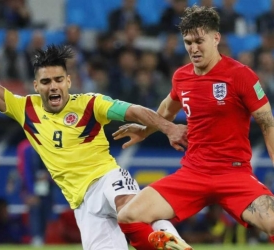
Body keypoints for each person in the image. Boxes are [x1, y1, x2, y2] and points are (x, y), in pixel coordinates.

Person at [0, 1, 189, 249]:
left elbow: (134, 111)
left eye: (58, 80)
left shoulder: (90, 104)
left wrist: (169, 128)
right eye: (45, 81)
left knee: (129, 205)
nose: (53, 86)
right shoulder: (25, 109)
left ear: (68, 81)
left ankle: (170, 241)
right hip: (83, 203)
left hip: (107, 177)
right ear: (36, 86)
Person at [113, 4, 274, 250]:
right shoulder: (182, 76)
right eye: (188, 42)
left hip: (233, 173)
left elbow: (267, 122)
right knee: (127, 216)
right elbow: (166, 109)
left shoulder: (241, 75)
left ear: (216, 38)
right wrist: (145, 130)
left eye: (199, 41)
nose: (193, 48)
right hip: (193, 173)